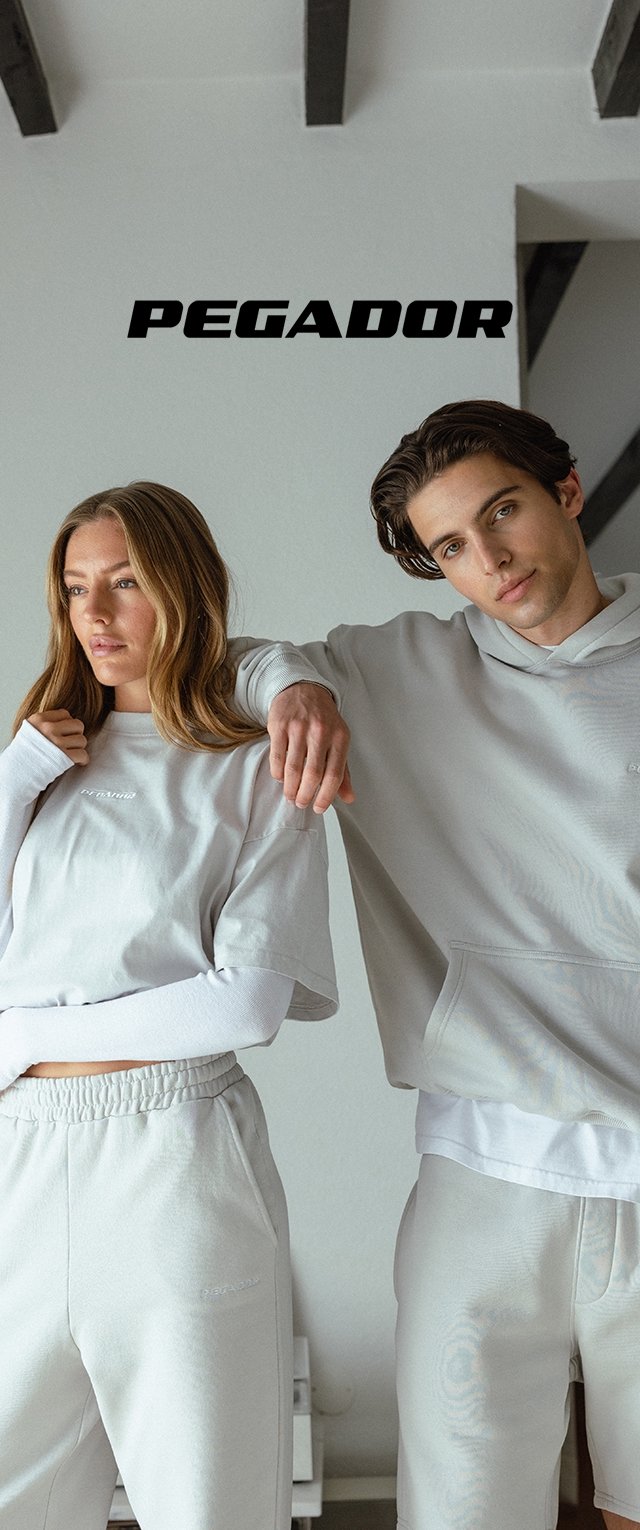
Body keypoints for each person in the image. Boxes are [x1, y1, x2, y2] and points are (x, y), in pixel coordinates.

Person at [231, 399, 640, 1530]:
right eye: (450, 545)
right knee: (463, 1514)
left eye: (502, 512)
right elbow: (220, 668)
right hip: (484, 1181)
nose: (489, 559)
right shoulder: (395, 672)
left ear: (565, 493)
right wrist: (292, 688)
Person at [0, 482, 337, 1530]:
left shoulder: (257, 764)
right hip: (19, 1155)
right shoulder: (44, 765)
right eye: (75, 590)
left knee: (206, 1504)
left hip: (175, 1158)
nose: (95, 615)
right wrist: (12, 781)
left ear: (183, 588)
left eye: (126, 583)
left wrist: (21, 1034)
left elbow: (245, 1004)